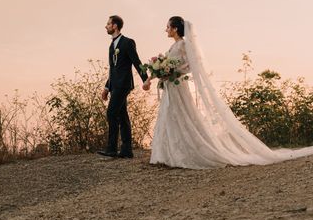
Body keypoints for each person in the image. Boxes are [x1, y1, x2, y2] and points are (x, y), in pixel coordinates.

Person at [146, 16, 313, 169]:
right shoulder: (173, 46)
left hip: (178, 85)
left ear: (175, 29)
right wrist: (159, 74)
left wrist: (175, 72)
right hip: (171, 87)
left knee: (183, 115)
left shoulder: (183, 44)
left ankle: (188, 153)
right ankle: (169, 154)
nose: (166, 29)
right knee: (170, 115)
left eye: (167, 27)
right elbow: (166, 65)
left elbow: (191, 65)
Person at [98, 15, 149, 158]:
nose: (106, 26)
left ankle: (112, 148)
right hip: (115, 85)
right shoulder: (111, 45)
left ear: (115, 26)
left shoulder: (127, 42)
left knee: (111, 113)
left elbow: (136, 62)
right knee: (122, 115)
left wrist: (146, 79)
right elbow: (113, 68)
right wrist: (107, 87)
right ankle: (127, 150)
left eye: (108, 24)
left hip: (124, 84)